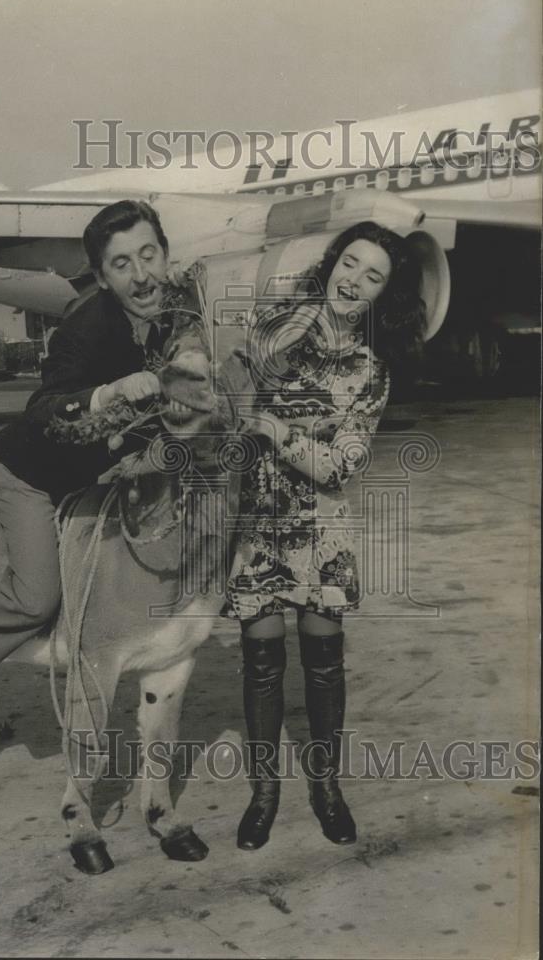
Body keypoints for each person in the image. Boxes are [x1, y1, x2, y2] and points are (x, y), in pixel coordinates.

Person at [0, 199, 195, 714]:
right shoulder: (83, 331)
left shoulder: (179, 310)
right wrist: (109, 392)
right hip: (36, 477)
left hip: (103, 474)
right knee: (37, 598)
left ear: (166, 254)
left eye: (148, 255)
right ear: (102, 278)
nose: (141, 275)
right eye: (121, 264)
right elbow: (43, 409)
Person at [227, 221, 426, 850]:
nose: (354, 280)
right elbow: (232, 398)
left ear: (383, 295)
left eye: (374, 276)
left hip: (323, 532)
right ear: (331, 263)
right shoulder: (273, 330)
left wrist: (273, 429)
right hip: (258, 525)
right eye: (350, 263)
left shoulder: (371, 372)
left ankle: (327, 790)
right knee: (262, 665)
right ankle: (264, 796)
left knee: (323, 666)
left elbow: (340, 466)